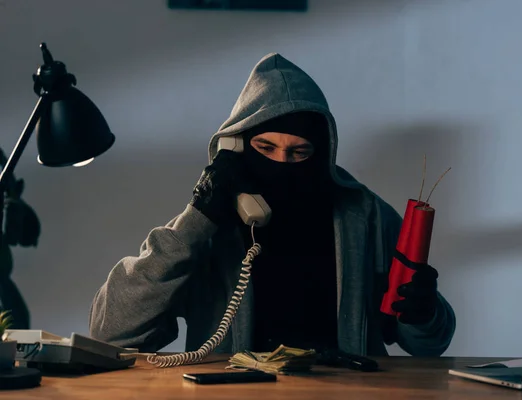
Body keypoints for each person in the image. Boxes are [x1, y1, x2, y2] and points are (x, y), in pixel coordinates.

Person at [89, 53, 456, 357]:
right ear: (236, 148)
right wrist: (197, 219)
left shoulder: (368, 216)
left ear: (323, 154)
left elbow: (429, 345)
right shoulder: (207, 222)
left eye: (299, 152)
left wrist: (424, 314)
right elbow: (112, 333)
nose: (282, 163)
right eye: (265, 149)